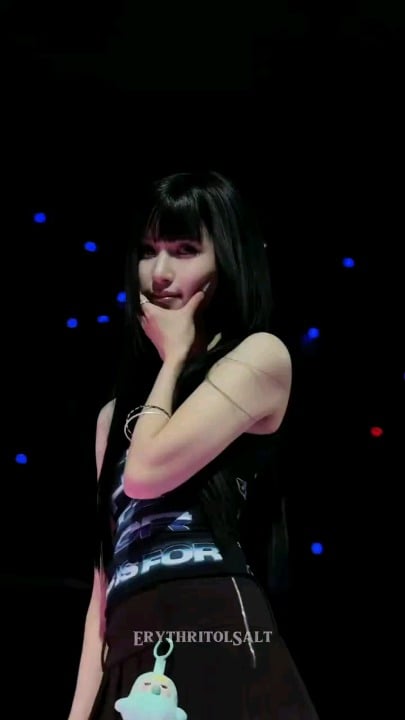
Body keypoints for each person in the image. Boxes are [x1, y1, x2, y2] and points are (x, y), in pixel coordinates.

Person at [67, 170, 319, 719]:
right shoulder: (113, 418)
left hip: (215, 633)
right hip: (128, 649)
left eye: (184, 251)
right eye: (147, 251)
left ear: (226, 259)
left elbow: (146, 473)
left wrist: (176, 356)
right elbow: (103, 587)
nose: (159, 273)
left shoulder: (259, 358)